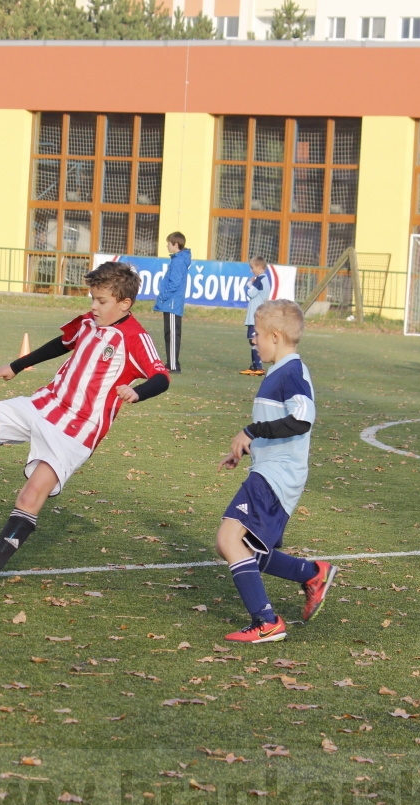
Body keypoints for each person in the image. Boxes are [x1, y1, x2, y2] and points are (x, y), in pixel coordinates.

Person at [0, 261, 170, 597]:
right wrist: (17, 365)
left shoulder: (135, 337)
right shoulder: (88, 322)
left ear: (124, 303)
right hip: (45, 403)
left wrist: (137, 392)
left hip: (77, 430)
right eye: (92, 298)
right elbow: (61, 344)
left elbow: (161, 377)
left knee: (30, 495)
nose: (93, 306)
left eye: (101, 301)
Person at [215, 299, 337, 643]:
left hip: (277, 477)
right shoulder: (278, 372)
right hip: (268, 470)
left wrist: (252, 431)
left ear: (275, 336)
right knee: (244, 548)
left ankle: (266, 621)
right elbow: (278, 425)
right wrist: (248, 448)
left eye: (256, 334)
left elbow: (301, 419)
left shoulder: (292, 373)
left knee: (229, 540)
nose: (253, 340)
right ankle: (312, 574)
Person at [154, 231, 190, 373]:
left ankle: (174, 365)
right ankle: (170, 363)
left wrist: (164, 296)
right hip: (170, 303)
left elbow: (174, 283)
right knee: (169, 333)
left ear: (175, 245)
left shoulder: (179, 261)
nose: (167, 246)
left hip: (172, 303)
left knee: (173, 334)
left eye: (169, 243)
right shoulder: (177, 259)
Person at [240, 255, 271, 376]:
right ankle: (254, 366)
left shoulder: (259, 280)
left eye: (252, 267)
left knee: (254, 341)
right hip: (258, 314)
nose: (251, 270)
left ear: (259, 267)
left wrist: (249, 284)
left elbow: (251, 293)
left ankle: (258, 367)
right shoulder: (265, 279)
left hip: (255, 316)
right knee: (253, 341)